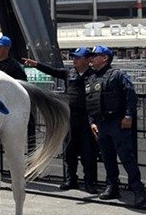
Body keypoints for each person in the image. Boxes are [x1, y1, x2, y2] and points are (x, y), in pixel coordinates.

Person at [24, 47, 98, 193]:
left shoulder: (94, 75)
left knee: (87, 152)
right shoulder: (69, 72)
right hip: (70, 118)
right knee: (69, 150)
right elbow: (53, 71)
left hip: (86, 118)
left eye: (79, 57)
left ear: (88, 60)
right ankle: (71, 179)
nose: (75, 60)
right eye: (74, 57)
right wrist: (36, 65)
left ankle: (90, 182)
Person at [85, 45, 146, 207]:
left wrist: (128, 115)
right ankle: (112, 187)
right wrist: (92, 123)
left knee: (126, 157)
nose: (91, 59)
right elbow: (90, 103)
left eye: (95, 56)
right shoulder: (92, 78)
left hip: (117, 122)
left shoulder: (117, 75)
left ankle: (138, 190)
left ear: (105, 58)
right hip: (100, 124)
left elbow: (131, 95)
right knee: (107, 158)